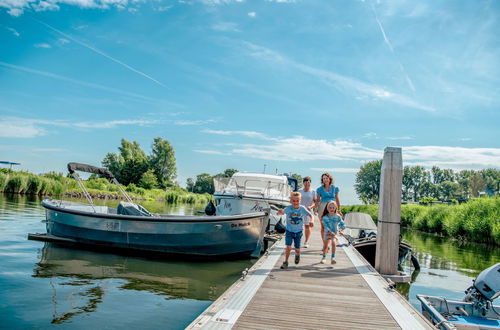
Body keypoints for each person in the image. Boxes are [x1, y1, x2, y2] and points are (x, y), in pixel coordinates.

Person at [277, 192, 312, 269]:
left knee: (297, 249)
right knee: (288, 247)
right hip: (289, 231)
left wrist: (311, 221)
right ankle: (285, 262)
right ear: (290, 201)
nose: (295, 202)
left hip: (298, 232)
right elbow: (280, 213)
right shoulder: (288, 208)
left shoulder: (302, 208)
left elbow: (310, 214)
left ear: (300, 200)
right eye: (293, 200)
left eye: (297, 200)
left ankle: (297, 255)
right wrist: (279, 212)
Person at [315, 172, 342, 245]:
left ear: (330, 179)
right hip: (322, 207)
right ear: (322, 180)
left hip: (332, 207)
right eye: (324, 178)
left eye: (326, 178)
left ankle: (330, 241)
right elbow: (317, 200)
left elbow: (337, 199)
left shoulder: (335, 188)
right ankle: (325, 244)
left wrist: (339, 210)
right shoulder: (319, 189)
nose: (325, 180)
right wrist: (315, 208)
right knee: (323, 226)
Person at [298, 176, 316, 248]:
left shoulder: (313, 192)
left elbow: (315, 203)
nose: (307, 183)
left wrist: (311, 207)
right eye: (305, 181)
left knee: (307, 226)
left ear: (310, 183)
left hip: (308, 210)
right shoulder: (299, 191)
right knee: (298, 226)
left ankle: (306, 241)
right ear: (303, 183)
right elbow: (296, 199)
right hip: (299, 210)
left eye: (308, 182)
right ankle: (298, 241)